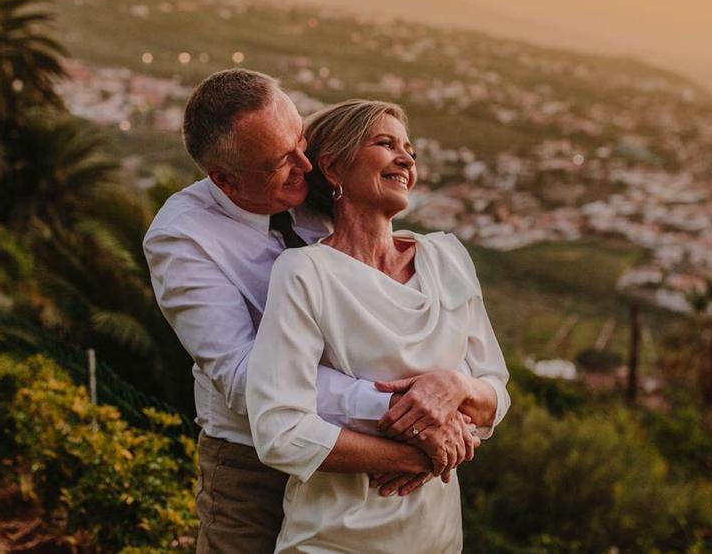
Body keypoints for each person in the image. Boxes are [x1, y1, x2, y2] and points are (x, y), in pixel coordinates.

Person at [143, 70, 480, 553]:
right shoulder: (182, 239)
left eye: (299, 140)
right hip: (254, 462)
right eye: (281, 160)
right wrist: (402, 413)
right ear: (225, 179)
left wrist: (451, 391)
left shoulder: (320, 190)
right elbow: (245, 379)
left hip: (363, 471)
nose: (305, 164)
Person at [246, 99, 511, 553]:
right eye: (385, 144)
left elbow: (495, 395)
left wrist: (455, 385)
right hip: (332, 540)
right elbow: (280, 433)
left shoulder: (448, 257)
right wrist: (417, 454)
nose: (406, 158)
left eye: (409, 148)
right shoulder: (306, 272)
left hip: (437, 536)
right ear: (332, 167)